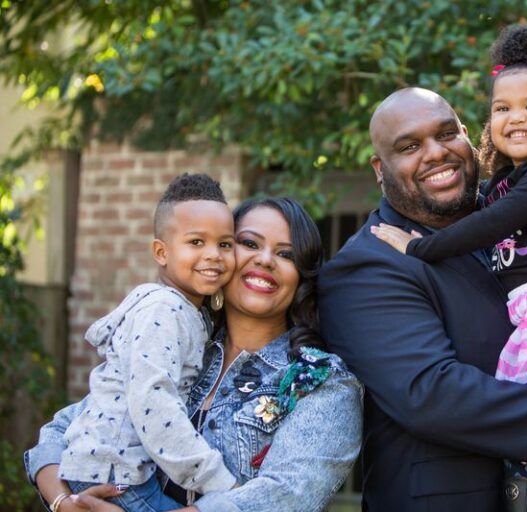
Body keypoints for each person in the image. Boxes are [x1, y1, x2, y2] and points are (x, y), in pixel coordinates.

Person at [318, 85, 527, 511]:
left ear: (468, 135)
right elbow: (431, 394)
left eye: (447, 134)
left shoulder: (521, 213)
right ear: (379, 168)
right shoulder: (367, 267)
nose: (435, 153)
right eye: (409, 146)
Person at [25, 197, 363, 512]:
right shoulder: (177, 343)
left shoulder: (320, 381)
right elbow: (63, 430)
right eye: (249, 243)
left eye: (286, 254)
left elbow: (285, 495)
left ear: (301, 276)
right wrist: (62, 502)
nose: (264, 259)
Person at [55, 173, 238, 511]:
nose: (214, 254)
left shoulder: (187, 311)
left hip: (118, 470)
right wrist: (219, 482)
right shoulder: (163, 310)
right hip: (115, 477)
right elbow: (154, 403)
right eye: (196, 242)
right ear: (160, 252)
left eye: (225, 244)